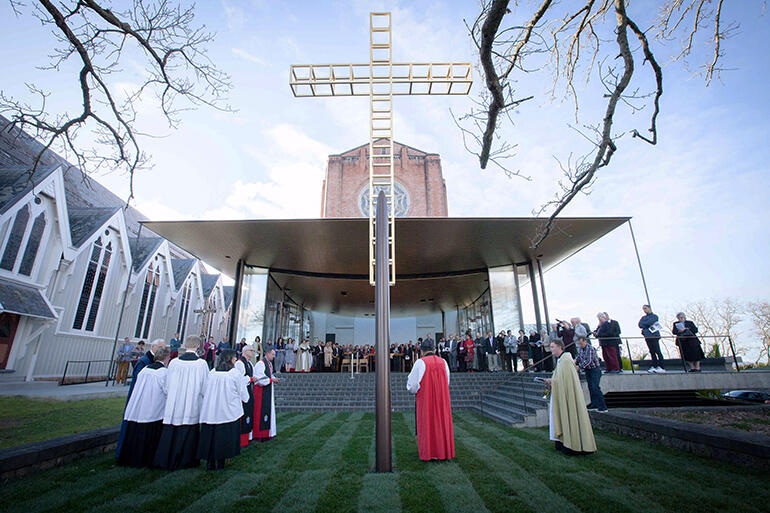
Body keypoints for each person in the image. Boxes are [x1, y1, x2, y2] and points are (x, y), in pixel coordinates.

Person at [153, 335, 210, 470]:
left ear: (184, 346)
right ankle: (186, 460)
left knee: (171, 431)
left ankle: (165, 459)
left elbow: (167, 386)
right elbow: (205, 387)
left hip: (174, 403)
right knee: (188, 430)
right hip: (191, 403)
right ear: (198, 347)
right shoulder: (201, 364)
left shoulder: (174, 362)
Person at [117, 346, 170, 467]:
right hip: (152, 408)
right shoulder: (164, 373)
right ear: (166, 359)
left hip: (138, 406)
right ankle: (146, 459)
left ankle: (128, 457)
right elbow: (167, 390)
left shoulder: (145, 369)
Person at [197, 349, 250, 470]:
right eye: (234, 359)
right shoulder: (234, 374)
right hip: (228, 410)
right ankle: (221, 461)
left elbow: (205, 390)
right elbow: (243, 393)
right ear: (230, 359)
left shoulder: (212, 372)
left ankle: (211, 461)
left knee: (212, 435)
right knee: (224, 437)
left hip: (212, 409)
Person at [544, 339, 597, 455]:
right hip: (560, 393)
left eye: (552, 347)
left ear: (559, 347)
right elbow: (560, 379)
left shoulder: (566, 361)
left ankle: (572, 444)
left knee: (570, 415)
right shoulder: (561, 361)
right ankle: (562, 441)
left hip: (566, 394)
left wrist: (553, 381)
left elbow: (566, 382)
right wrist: (551, 381)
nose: (551, 349)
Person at [406, 338, 454, 461]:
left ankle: (429, 452)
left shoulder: (420, 363)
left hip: (426, 399)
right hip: (442, 399)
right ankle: (443, 451)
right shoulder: (443, 362)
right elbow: (447, 381)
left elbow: (412, 386)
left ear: (422, 351)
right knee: (441, 422)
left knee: (427, 423)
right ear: (434, 350)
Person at [253, 343, 280, 441]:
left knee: (267, 411)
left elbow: (269, 375)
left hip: (267, 390)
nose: (274, 357)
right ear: (267, 353)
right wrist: (271, 380)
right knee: (260, 411)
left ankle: (267, 432)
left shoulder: (269, 364)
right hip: (261, 392)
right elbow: (260, 378)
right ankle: (260, 434)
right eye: (272, 354)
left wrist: (274, 379)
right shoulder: (260, 363)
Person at [575, 336, 607, 413]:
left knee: (595, 387)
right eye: (579, 344)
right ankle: (594, 404)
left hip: (594, 370)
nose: (581, 345)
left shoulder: (590, 348)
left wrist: (579, 367)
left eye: (582, 343)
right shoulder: (581, 349)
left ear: (585, 342)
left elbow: (588, 360)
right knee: (591, 387)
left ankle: (603, 406)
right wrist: (574, 362)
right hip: (588, 370)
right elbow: (579, 357)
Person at [235, 345, 255, 447]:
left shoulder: (250, 364)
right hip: (243, 392)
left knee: (249, 412)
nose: (253, 352)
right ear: (245, 351)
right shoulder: (239, 363)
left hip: (249, 390)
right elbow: (239, 379)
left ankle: (247, 437)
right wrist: (250, 379)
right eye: (251, 350)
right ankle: (241, 438)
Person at [639, 305, 666, 373]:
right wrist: (646, 325)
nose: (644, 310)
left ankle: (661, 366)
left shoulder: (654, 316)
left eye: (645, 308)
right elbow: (640, 324)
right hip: (647, 336)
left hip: (654, 336)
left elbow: (650, 322)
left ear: (649, 308)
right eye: (643, 309)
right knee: (652, 351)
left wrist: (645, 324)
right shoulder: (643, 317)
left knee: (657, 350)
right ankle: (654, 365)